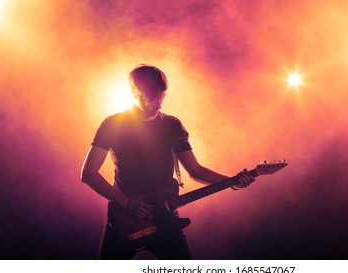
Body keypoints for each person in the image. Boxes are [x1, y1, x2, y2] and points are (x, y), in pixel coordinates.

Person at [80, 64, 255, 259]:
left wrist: (232, 180)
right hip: (125, 218)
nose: (159, 103)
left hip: (165, 218)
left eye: (162, 96)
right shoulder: (112, 124)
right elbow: (88, 174)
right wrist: (127, 203)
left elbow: (195, 171)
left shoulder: (172, 125)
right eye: (152, 97)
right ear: (134, 92)